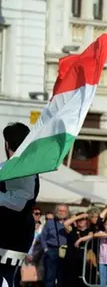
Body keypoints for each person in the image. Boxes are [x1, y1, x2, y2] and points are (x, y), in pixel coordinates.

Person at [0, 123, 40, 287]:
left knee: (5, 277)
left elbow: (19, 202)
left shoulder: (24, 169)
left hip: (12, 234)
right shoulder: (9, 167)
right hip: (11, 232)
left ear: (7, 143)